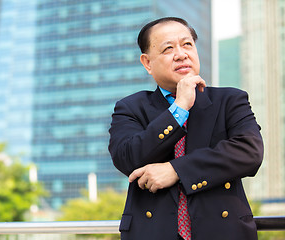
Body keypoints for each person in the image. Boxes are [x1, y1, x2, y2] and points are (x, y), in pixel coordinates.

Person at [108, 17, 263, 240]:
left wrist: (176, 170)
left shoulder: (230, 100)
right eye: (168, 48)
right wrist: (179, 107)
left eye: (187, 44)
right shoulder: (130, 108)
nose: (181, 54)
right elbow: (128, 158)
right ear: (147, 62)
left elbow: (249, 152)